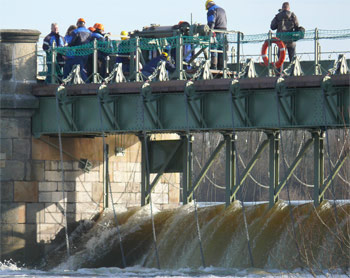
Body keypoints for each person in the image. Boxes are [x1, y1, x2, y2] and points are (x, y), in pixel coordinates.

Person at [205, 0, 227, 70]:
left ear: (208, 5)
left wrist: (210, 31)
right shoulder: (222, 10)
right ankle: (221, 66)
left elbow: (211, 21)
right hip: (224, 31)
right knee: (221, 48)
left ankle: (214, 66)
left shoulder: (211, 10)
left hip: (216, 31)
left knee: (213, 47)